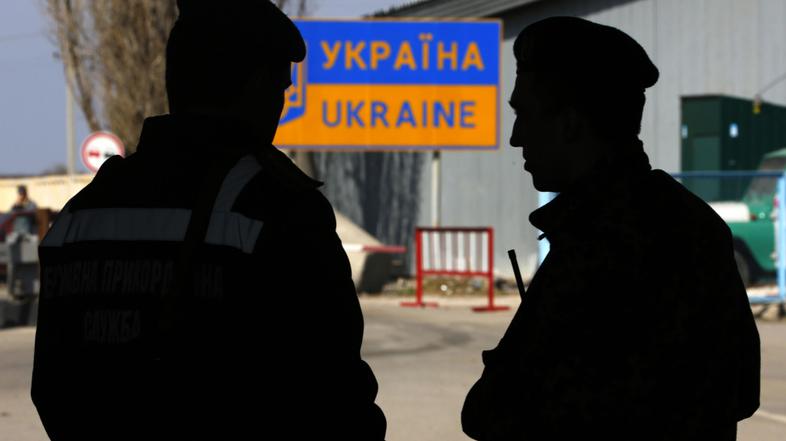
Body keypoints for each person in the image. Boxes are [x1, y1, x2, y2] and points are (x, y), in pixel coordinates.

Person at [31, 1, 386, 440]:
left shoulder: (82, 213)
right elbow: (334, 397)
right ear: (257, 86)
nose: (281, 108)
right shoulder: (275, 205)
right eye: (282, 90)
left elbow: (51, 386)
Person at [462, 16, 760, 441]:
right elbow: (741, 390)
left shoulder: (609, 239)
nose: (515, 137)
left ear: (570, 123)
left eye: (523, 114)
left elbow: (501, 413)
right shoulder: (688, 224)